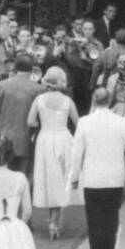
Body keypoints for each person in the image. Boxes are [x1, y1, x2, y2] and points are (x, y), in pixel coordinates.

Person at [70, 86, 125, 249]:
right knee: (112, 216)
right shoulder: (122, 122)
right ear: (110, 101)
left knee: (94, 219)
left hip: (93, 179)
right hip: (115, 178)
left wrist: (74, 176)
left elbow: (77, 152)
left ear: (94, 100)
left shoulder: (84, 122)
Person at [29, 65, 82, 239]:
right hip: (63, 138)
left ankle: (53, 221)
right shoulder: (68, 101)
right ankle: (54, 221)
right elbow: (78, 123)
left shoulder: (39, 100)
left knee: (48, 178)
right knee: (61, 177)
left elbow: (30, 122)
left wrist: (42, 125)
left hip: (45, 138)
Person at [0, 53, 44, 178]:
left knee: (2, 177)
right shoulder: (39, 89)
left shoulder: (1, 85)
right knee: (21, 178)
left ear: (14, 67)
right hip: (26, 139)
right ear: (32, 68)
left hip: (4, 138)